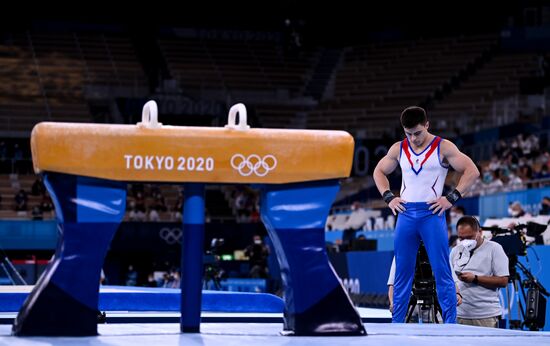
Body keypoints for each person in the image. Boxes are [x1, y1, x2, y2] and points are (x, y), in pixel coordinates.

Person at [373, 106, 479, 323]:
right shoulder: (398, 148)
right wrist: (389, 197)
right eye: (408, 133)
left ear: (427, 125)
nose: (413, 138)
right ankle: (397, 323)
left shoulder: (443, 147)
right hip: (405, 214)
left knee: (442, 271)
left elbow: (472, 170)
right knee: (402, 273)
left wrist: (451, 198)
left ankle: (450, 323)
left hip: (432, 214)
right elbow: (379, 171)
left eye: (418, 133)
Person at [450, 216, 509, 328]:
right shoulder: (455, 251)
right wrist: (456, 292)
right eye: (461, 238)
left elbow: (503, 280)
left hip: (486, 316)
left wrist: (475, 278)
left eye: (469, 237)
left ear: (479, 232)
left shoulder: (494, 249)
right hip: (460, 315)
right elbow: (452, 280)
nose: (465, 241)